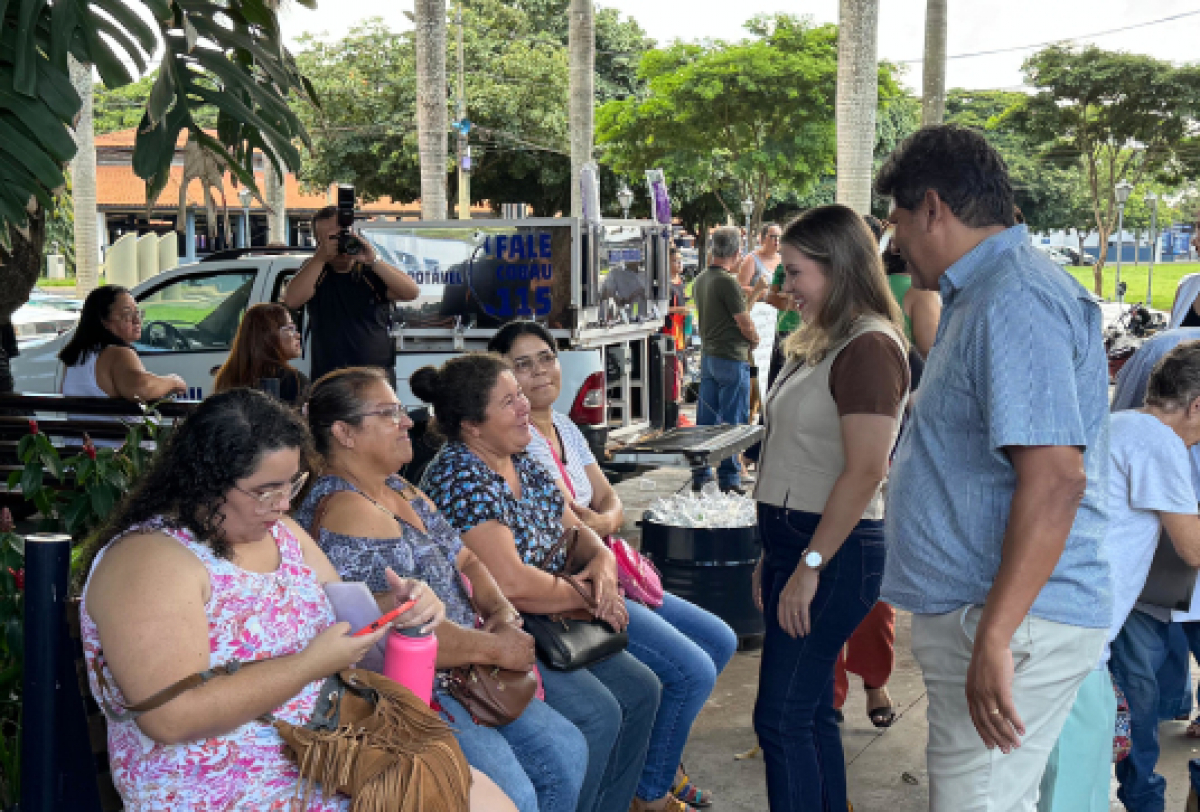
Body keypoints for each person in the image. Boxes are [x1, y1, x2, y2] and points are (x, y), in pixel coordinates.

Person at [79, 387, 516, 812]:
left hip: (324, 750)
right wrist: (310, 664)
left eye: (293, 483)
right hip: (223, 783)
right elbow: (170, 717)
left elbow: (342, 610)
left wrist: (402, 605)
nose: (284, 502)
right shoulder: (148, 561)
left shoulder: (281, 530)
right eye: (266, 490)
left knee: (486, 798)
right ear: (205, 483)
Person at [876, 124, 1111, 811]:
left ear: (932, 208)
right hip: (997, 612)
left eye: (898, 223)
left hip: (1012, 619)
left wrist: (997, 634)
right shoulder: (984, 293)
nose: (895, 245)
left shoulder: (1014, 297)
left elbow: (1056, 478)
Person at [295, 367, 588, 812]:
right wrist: (496, 648)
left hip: (466, 667)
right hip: (416, 690)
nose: (407, 421)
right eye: (389, 413)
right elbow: (399, 629)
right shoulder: (349, 509)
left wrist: (502, 611)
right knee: (518, 792)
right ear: (344, 433)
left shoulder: (398, 487)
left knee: (567, 750)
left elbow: (466, 558)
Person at [489, 321, 738, 810]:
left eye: (546, 357)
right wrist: (600, 528)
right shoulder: (519, 442)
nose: (539, 372)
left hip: (612, 569)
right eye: (523, 364)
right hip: (578, 585)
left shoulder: (564, 427)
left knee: (719, 640)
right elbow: (573, 522)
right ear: (502, 379)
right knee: (687, 670)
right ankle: (650, 793)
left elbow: (610, 505)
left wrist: (600, 527)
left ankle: (660, 765)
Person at [412, 355, 668, 812]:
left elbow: (579, 531)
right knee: (598, 715)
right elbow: (512, 585)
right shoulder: (460, 476)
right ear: (472, 425)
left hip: (564, 616)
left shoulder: (520, 460)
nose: (524, 406)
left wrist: (604, 569)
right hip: (519, 626)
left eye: (519, 396)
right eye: (509, 401)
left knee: (643, 689)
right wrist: (592, 595)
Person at [750, 205, 910, 811]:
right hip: (801, 544)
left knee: (782, 719)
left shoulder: (868, 345)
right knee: (811, 712)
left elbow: (868, 468)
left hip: (833, 552)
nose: (786, 288)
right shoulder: (826, 336)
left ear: (838, 268)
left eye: (795, 273)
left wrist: (810, 565)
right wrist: (779, 554)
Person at [1037, 341, 1200, 812]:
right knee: (1072, 786)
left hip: (1061, 627)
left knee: (1063, 776)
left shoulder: (1115, 425)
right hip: (1076, 636)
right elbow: (1192, 548)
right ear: (1196, 406)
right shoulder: (1160, 442)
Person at [282, 206, 420, 385]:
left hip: (375, 380)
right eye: (331, 238)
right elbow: (292, 300)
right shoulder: (316, 271)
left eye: (342, 236)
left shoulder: (371, 272)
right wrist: (320, 258)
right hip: (330, 379)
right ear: (318, 242)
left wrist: (372, 260)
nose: (339, 244)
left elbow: (411, 292)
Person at [691, 226, 761, 494]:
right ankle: (729, 477)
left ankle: (701, 471)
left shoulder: (701, 279)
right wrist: (754, 339)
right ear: (735, 252)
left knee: (706, 420)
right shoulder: (727, 282)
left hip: (709, 355)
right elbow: (743, 322)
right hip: (731, 356)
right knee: (733, 420)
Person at [59, 285, 187, 400]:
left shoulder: (76, 356)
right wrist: (173, 381)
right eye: (127, 314)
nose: (137, 320)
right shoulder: (117, 353)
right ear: (104, 321)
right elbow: (141, 389)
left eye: (138, 313)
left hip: (81, 426)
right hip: (119, 427)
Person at [212, 303, 309, 405]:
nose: (298, 335)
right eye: (290, 328)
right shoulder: (292, 380)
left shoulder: (226, 377)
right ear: (268, 336)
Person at [737, 223, 781, 305]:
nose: (777, 240)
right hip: (757, 311)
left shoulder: (783, 260)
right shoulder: (751, 259)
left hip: (779, 311)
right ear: (763, 239)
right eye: (773, 236)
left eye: (780, 237)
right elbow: (739, 289)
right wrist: (763, 292)